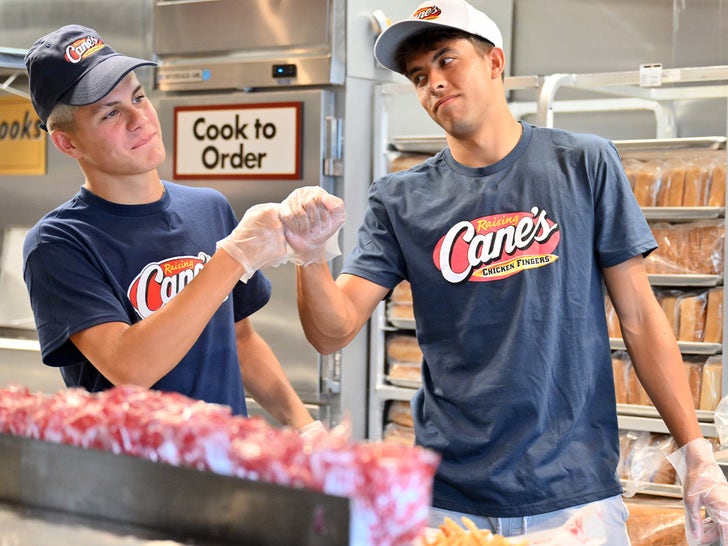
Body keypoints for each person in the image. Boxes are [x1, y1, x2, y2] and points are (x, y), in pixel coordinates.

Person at [279, 0, 728, 542]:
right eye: (420, 76)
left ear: (495, 62)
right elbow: (333, 330)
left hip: (575, 500)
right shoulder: (398, 197)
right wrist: (310, 255)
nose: (434, 84)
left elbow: (639, 317)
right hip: (445, 503)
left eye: (447, 61)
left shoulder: (583, 162)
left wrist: (696, 454)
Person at [21, 24, 315, 431]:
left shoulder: (208, 208)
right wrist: (232, 257)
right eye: (110, 112)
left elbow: (242, 342)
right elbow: (131, 368)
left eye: (138, 97)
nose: (139, 118)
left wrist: (306, 427)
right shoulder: (59, 242)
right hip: (134, 483)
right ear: (67, 144)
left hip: (226, 472)